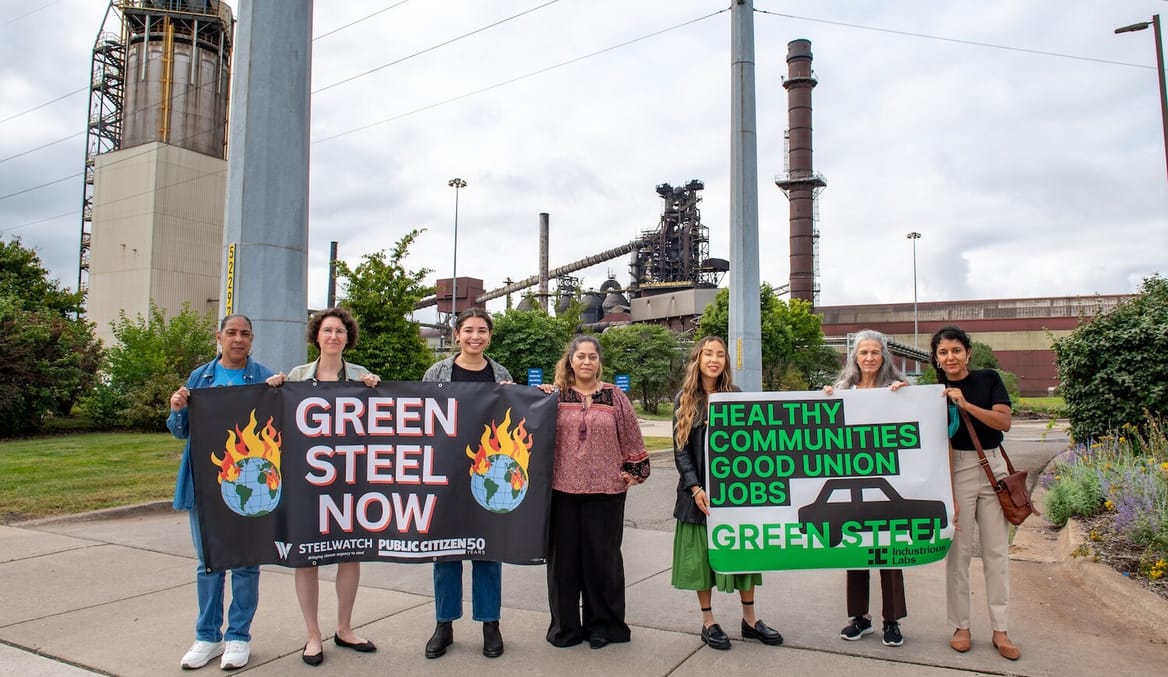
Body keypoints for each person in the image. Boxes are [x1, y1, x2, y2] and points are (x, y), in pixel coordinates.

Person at [265, 307, 380, 666]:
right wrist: (272, 392)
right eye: (328, 330)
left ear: (348, 339)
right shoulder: (297, 377)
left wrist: (378, 390)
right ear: (317, 336)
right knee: (307, 556)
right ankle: (312, 635)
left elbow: (383, 422)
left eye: (340, 332)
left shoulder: (362, 377)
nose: (334, 337)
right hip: (308, 481)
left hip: (350, 478)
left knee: (350, 552)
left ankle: (344, 628)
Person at [168, 314, 275, 671]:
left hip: (248, 485)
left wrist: (281, 393)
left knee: (246, 562)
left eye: (245, 334)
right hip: (205, 484)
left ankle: (238, 638)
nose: (238, 340)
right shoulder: (201, 377)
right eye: (232, 333)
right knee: (209, 564)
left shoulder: (263, 377)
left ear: (252, 339)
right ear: (219, 337)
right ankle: (207, 636)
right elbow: (181, 432)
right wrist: (177, 409)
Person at [671, 336, 783, 651]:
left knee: (745, 555)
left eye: (720, 354)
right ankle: (709, 622)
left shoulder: (736, 397)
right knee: (702, 562)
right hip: (698, 498)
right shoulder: (685, 399)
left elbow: (753, 445)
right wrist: (695, 488)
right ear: (698, 359)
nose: (715, 359)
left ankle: (750, 620)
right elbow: (681, 451)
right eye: (708, 353)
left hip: (736, 496)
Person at [541, 335, 650, 649]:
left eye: (592, 357)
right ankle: (566, 628)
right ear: (570, 360)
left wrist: (634, 470)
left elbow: (630, 434)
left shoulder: (614, 396)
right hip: (561, 489)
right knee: (562, 562)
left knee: (602, 561)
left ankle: (604, 627)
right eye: (580, 356)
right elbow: (529, 424)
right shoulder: (554, 396)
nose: (586, 362)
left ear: (599, 362)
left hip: (606, 491)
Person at [420, 308, 513, 659]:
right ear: (457, 335)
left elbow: (514, 418)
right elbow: (421, 418)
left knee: (488, 551)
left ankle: (490, 623)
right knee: (445, 551)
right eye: (469, 330)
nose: (475, 336)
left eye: (482, 331)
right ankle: (444, 623)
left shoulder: (500, 373)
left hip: (487, 475)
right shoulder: (437, 372)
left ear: (490, 336)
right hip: (445, 472)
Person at [932, 325, 1020, 661]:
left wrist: (966, 405)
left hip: (993, 466)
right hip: (957, 470)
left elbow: (1003, 422)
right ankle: (961, 626)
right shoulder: (934, 391)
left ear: (968, 352)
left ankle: (1001, 629)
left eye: (956, 350)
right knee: (959, 554)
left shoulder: (988, 379)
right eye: (943, 352)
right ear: (936, 359)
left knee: (997, 553)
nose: (950, 357)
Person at [822, 330, 909, 647]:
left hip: (888, 483)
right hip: (853, 484)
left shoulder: (897, 390)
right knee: (856, 550)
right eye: (864, 353)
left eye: (875, 352)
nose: (869, 358)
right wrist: (826, 397)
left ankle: (892, 621)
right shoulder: (844, 389)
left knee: (889, 553)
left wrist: (907, 396)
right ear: (855, 358)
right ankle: (860, 618)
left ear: (884, 356)